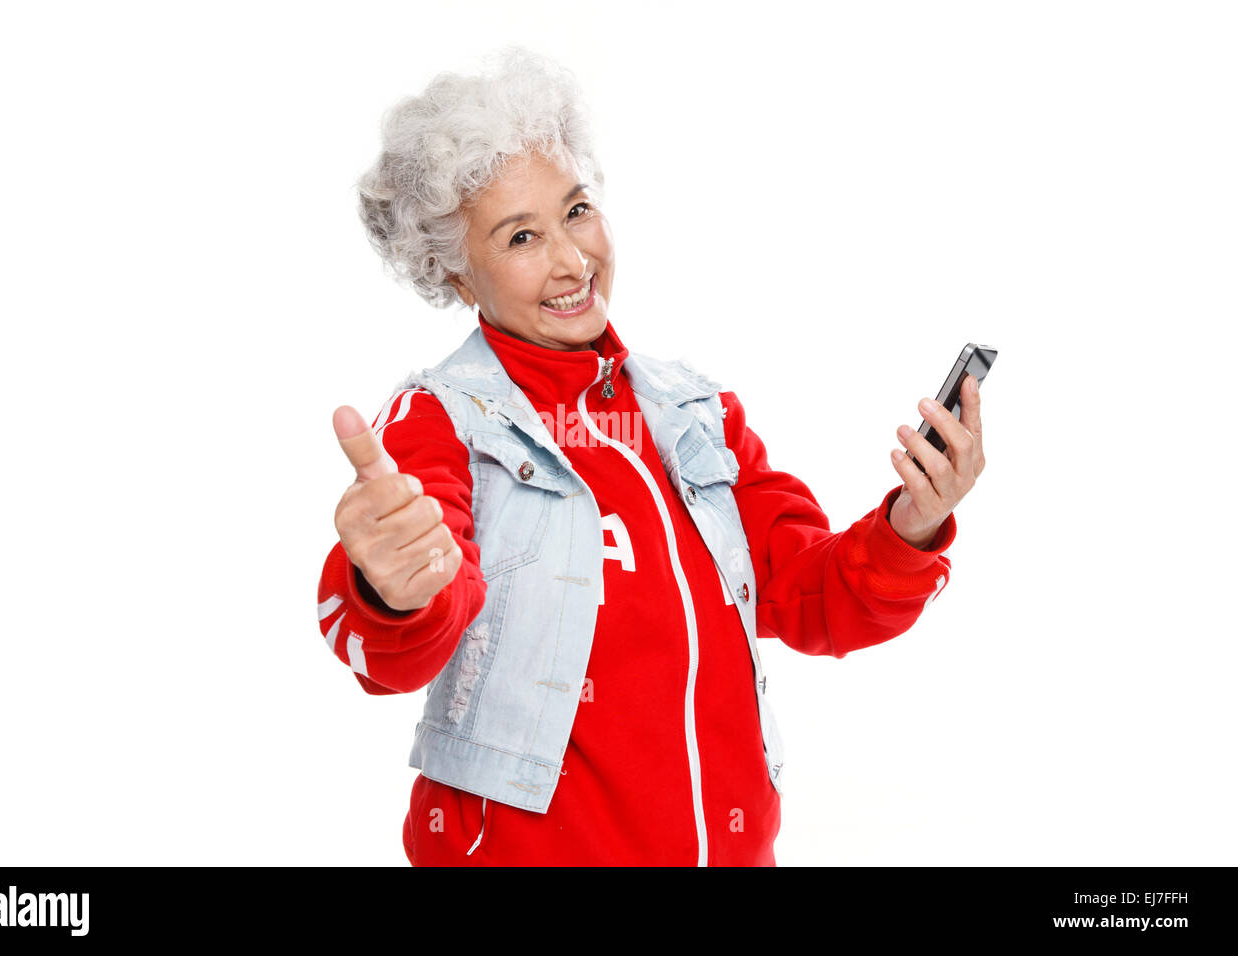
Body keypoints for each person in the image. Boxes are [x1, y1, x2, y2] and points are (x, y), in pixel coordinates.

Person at [316, 47, 985, 866]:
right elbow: (405, 640)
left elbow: (811, 598)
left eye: (576, 210)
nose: (571, 259)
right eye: (521, 235)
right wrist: (391, 588)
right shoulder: (441, 421)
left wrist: (911, 527)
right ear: (457, 275)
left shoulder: (693, 413)